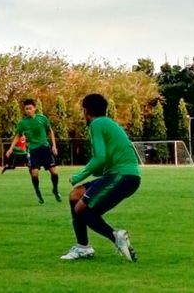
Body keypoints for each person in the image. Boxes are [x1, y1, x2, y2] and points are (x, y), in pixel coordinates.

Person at [61, 94, 140, 262]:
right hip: (122, 175)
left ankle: (115, 237)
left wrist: (78, 176)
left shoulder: (96, 124)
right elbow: (107, 158)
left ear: (86, 111)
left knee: (82, 210)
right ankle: (84, 247)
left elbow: (99, 158)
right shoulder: (107, 123)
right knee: (76, 195)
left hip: (121, 176)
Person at [5, 98, 60, 204]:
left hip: (45, 148)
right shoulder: (23, 123)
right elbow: (18, 135)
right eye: (26, 109)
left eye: (30, 108)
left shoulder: (42, 119)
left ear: (35, 108)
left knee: (54, 172)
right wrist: (11, 148)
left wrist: (54, 146)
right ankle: (38, 192)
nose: (28, 110)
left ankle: (55, 190)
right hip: (33, 150)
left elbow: (50, 131)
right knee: (34, 173)